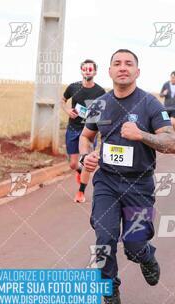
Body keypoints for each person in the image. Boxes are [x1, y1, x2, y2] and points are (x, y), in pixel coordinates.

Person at [79, 49, 175, 304]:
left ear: (137, 71)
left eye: (129, 64)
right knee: (104, 239)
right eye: (117, 64)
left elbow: (172, 143)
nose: (123, 68)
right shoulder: (99, 103)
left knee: (133, 247)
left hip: (138, 185)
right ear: (109, 71)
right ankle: (110, 298)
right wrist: (86, 156)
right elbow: (86, 137)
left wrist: (141, 134)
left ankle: (146, 256)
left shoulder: (150, 104)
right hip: (107, 183)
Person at [61, 59, 106, 200]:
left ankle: (81, 192)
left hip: (89, 131)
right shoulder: (73, 87)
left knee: (86, 160)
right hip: (73, 128)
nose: (87, 71)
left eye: (90, 69)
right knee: (74, 164)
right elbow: (62, 100)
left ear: (95, 72)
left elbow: (102, 111)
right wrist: (68, 111)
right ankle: (79, 171)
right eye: (85, 69)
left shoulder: (100, 91)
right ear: (81, 71)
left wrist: (95, 119)